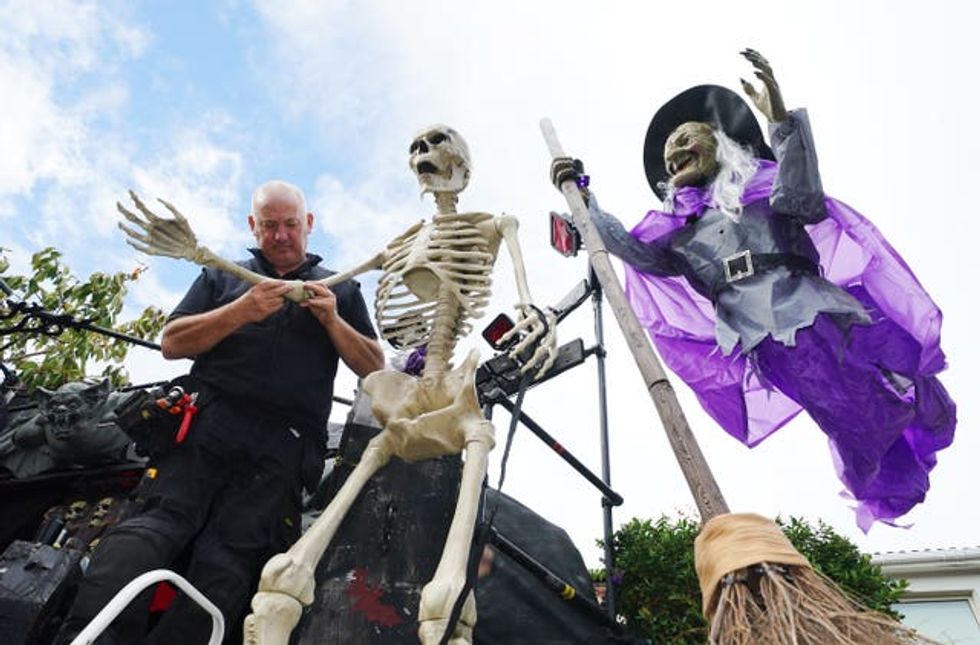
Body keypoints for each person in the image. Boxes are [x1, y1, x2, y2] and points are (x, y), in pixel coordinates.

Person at [552, 50, 955, 531]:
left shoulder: (763, 194)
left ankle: (919, 412)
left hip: (809, 305)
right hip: (762, 340)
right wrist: (582, 196)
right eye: (668, 154)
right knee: (842, 416)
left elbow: (803, 197)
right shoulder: (678, 235)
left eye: (685, 139)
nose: (674, 152)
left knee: (874, 385)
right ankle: (885, 463)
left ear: (719, 144)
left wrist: (781, 120)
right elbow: (627, 249)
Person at [59, 180, 384, 643]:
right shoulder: (221, 277)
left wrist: (332, 319)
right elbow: (173, 342)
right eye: (269, 226)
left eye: (290, 224)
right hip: (205, 423)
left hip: (286, 446)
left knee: (233, 561)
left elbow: (373, 368)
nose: (280, 236)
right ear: (253, 226)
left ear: (308, 225)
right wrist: (241, 311)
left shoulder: (343, 292)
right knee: (150, 530)